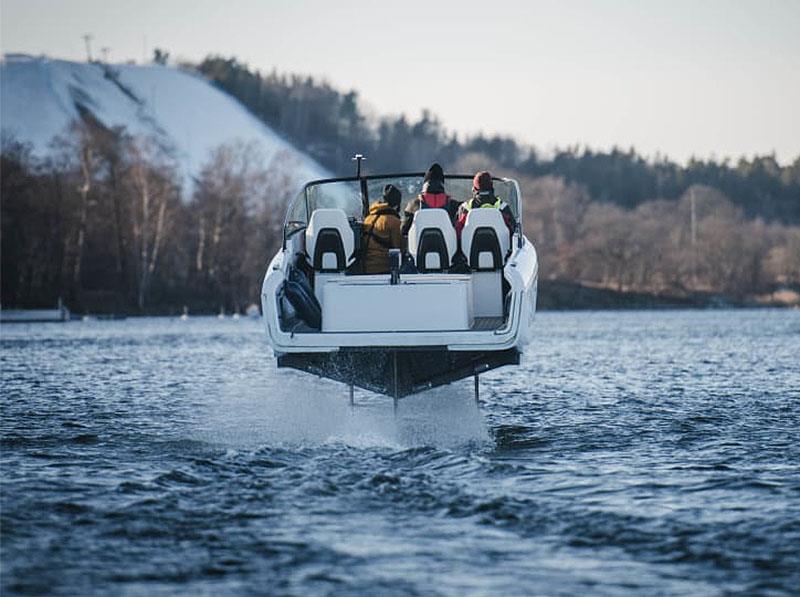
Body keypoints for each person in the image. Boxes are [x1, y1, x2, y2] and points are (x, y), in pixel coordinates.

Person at [401, 163, 461, 236]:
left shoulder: (414, 204)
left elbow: (404, 231)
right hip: (449, 246)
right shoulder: (453, 205)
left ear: (425, 184)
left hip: (420, 247)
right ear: (442, 184)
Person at [455, 171, 517, 239]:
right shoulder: (503, 208)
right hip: (500, 249)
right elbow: (513, 231)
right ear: (491, 186)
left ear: (474, 189)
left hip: (468, 249)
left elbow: (458, 233)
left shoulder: (465, 208)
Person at [361, 184, 405, 274]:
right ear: (397, 205)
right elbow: (399, 249)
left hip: (365, 268)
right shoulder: (394, 222)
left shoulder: (368, 219)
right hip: (383, 268)